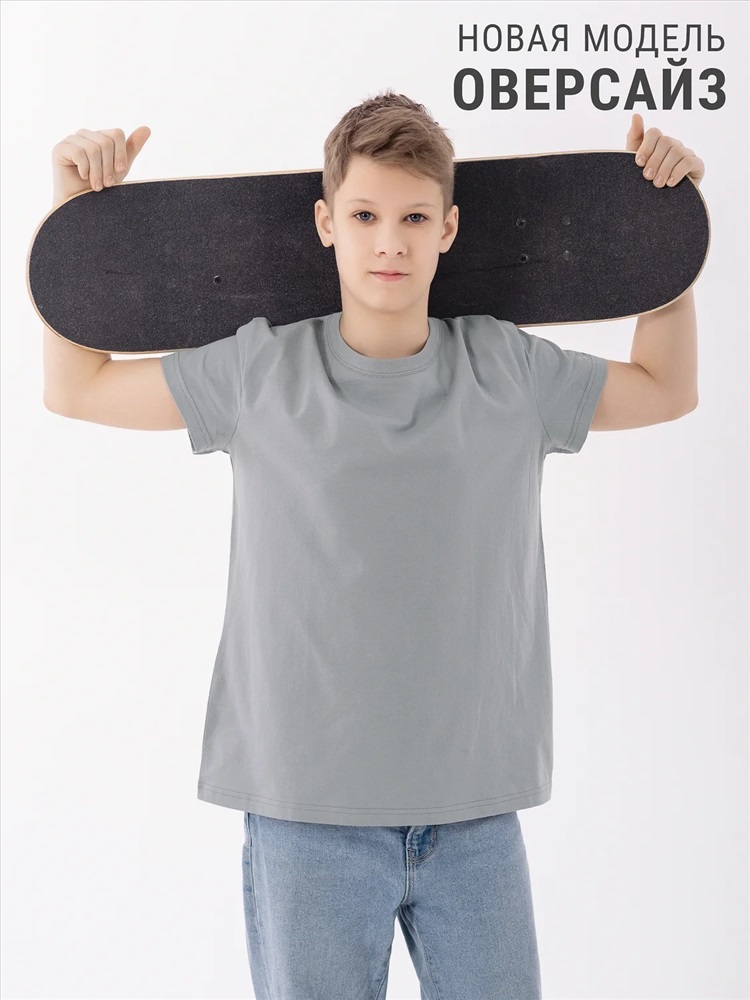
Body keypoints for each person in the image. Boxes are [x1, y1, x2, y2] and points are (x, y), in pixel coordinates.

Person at [44, 91, 702, 999]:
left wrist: (671, 239)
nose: (389, 241)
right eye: (363, 216)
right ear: (326, 224)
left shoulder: (506, 368)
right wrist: (71, 221)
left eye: (414, 218)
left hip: (472, 814)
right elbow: (77, 388)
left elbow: (666, 387)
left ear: (448, 229)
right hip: (306, 815)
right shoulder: (259, 370)